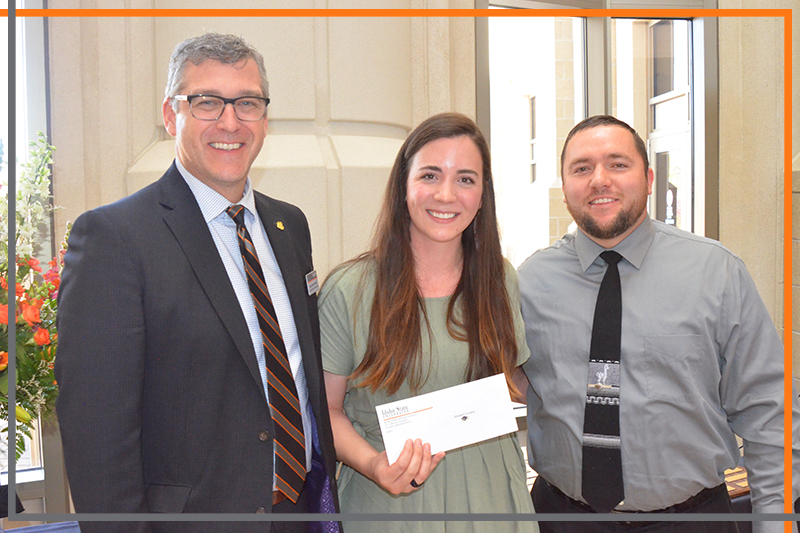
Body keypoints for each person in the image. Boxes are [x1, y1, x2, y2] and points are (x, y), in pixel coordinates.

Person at [55, 33, 339, 532]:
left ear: (264, 119)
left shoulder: (289, 226)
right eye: (206, 102)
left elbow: (298, 376)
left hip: (301, 512)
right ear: (171, 115)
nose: (230, 122)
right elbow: (97, 438)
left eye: (246, 103)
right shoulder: (114, 238)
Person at [518, 114, 798, 533]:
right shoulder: (529, 282)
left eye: (617, 164)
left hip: (691, 519)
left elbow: (769, 412)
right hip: (562, 518)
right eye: (582, 168)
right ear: (564, 188)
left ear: (649, 178)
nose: (599, 180)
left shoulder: (715, 272)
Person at [319, 112, 537, 532]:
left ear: (482, 195)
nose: (446, 194)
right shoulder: (349, 291)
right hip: (391, 499)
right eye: (431, 175)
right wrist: (374, 464)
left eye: (466, 179)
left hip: (492, 496)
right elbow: (327, 411)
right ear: (404, 185)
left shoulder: (499, 279)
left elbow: (517, 381)